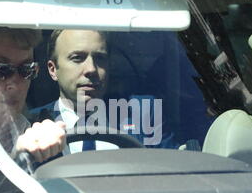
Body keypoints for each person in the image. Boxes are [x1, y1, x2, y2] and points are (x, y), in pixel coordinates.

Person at [30, 29, 179, 153]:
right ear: (53, 69)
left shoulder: (141, 113)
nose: (91, 69)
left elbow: (173, 171)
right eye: (77, 58)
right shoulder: (33, 124)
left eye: (100, 58)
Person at [0, 23, 66, 163]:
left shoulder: (23, 128)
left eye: (26, 70)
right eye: (1, 70)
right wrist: (20, 159)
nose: (15, 85)